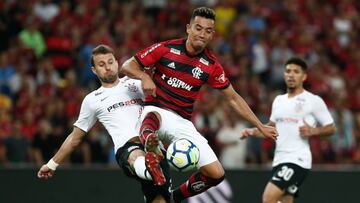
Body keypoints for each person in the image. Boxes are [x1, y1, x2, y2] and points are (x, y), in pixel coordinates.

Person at [121, 7, 277, 203]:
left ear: (212, 35)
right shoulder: (166, 49)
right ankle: (150, 141)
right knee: (152, 117)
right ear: (188, 28)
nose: (202, 34)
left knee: (216, 174)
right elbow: (127, 65)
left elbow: (233, 98)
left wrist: (260, 125)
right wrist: (144, 76)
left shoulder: (210, 65)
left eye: (208, 31)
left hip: (182, 122)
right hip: (157, 110)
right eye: (198, 28)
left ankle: (173, 198)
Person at [37, 45, 172, 203]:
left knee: (159, 200)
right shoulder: (92, 99)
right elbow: (75, 138)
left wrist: (146, 78)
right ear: (94, 70)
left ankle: (152, 162)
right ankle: (150, 168)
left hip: (155, 143)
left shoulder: (136, 83)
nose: (107, 67)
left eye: (110, 62)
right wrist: (52, 164)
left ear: (116, 62)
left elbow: (162, 103)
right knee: (136, 157)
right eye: (101, 65)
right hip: (128, 148)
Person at [241, 57, 336, 203]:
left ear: (304, 76)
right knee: (286, 200)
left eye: (296, 72)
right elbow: (271, 129)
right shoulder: (278, 100)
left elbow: (331, 128)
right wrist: (251, 132)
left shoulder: (313, 100)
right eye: (288, 71)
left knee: (268, 198)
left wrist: (313, 131)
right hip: (279, 160)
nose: (291, 75)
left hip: (297, 160)